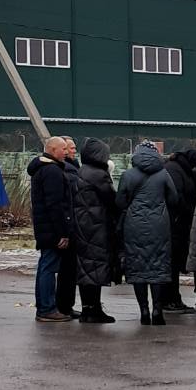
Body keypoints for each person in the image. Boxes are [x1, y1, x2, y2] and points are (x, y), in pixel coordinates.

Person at [117, 141, 178, 326]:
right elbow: (174, 199)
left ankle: (143, 310)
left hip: (134, 225)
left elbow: (119, 201)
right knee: (158, 266)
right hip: (159, 225)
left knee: (138, 266)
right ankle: (157, 310)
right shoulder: (164, 173)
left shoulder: (128, 175)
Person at [72, 138, 118, 324]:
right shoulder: (99, 175)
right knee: (96, 268)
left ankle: (87, 309)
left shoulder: (82, 171)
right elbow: (111, 200)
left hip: (83, 224)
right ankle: (94, 309)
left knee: (85, 268)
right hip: (97, 226)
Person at [28, 136, 73, 323]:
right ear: (53, 150)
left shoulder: (42, 169)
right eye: (63, 149)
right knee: (48, 267)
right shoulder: (52, 171)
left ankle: (44, 307)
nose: (67, 152)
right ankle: (47, 308)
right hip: (51, 229)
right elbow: (55, 204)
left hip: (45, 227)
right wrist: (62, 232)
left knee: (45, 266)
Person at [162, 148, 196, 313]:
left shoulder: (180, 169)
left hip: (178, 222)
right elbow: (177, 197)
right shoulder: (175, 170)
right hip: (175, 223)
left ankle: (173, 298)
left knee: (174, 263)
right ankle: (171, 300)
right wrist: (190, 212)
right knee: (171, 263)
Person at [56, 135, 80, 319]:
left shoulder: (71, 168)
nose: (73, 151)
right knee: (67, 269)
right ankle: (64, 305)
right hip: (69, 225)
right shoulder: (68, 171)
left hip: (69, 224)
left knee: (69, 269)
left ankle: (65, 304)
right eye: (70, 148)